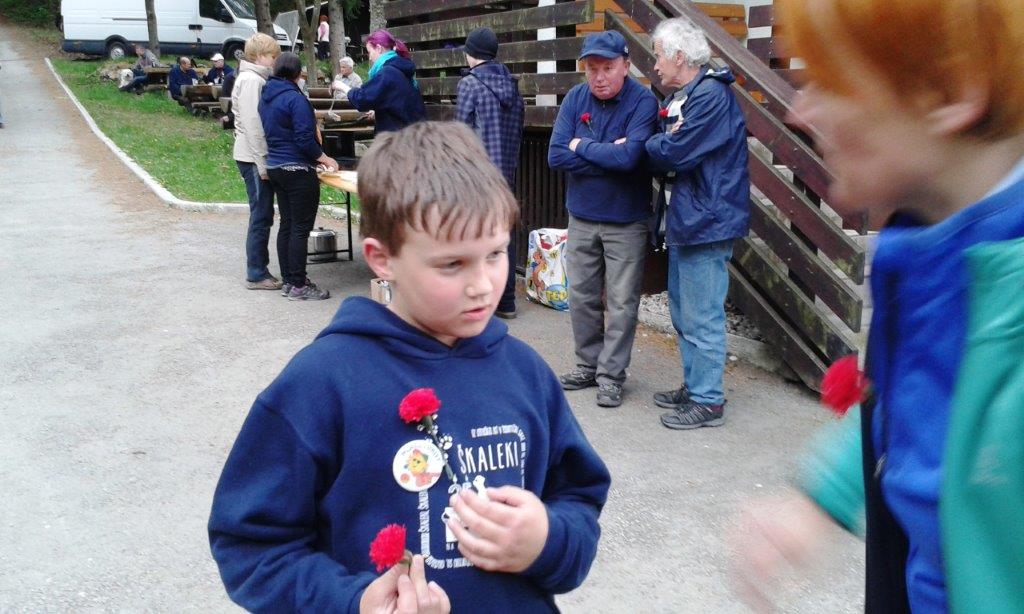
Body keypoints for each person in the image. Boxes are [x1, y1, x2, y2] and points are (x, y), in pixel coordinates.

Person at [208, 121, 611, 612]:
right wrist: (352, 602)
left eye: (496, 253)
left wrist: (547, 541)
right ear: (382, 259)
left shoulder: (527, 374)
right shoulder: (322, 384)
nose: (484, 285)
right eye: (452, 264)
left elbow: (579, 500)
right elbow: (251, 547)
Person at [732, 1, 1024, 613]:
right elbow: (935, 402)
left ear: (950, 89)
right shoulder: (942, 250)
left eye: (828, 80)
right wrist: (825, 496)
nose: (799, 110)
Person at [644, 17, 749, 429]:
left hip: (706, 222)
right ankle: (695, 387)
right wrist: (665, 141)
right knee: (683, 312)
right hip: (688, 220)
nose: (655, 65)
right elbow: (668, 147)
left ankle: (708, 401)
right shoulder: (689, 96)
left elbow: (674, 153)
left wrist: (660, 143)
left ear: (679, 56)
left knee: (702, 315)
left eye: (658, 56)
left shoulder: (710, 96)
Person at [547, 31, 659, 408]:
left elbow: (630, 160)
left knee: (622, 302)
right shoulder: (575, 98)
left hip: (626, 219)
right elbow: (555, 155)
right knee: (580, 296)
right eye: (592, 69)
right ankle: (588, 364)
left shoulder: (643, 102)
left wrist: (582, 146)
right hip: (581, 215)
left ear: (626, 65)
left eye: (608, 68)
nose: (599, 77)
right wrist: (609, 153)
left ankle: (611, 375)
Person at [455, 27, 525, 320]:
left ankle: (479, 302)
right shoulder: (512, 86)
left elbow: (460, 134)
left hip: (477, 176)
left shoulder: (470, 85)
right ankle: (506, 302)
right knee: (502, 236)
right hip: (506, 174)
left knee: (474, 238)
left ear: (470, 53)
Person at [258, 52, 339, 301]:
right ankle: (298, 284)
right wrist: (325, 159)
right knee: (300, 228)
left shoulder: (266, 97)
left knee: (288, 224)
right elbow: (305, 139)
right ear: (296, 73)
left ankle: (289, 280)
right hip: (297, 169)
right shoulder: (296, 99)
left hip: (275, 167)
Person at [233, 33, 282, 291]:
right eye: (272, 56)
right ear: (260, 56)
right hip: (252, 158)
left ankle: (259, 269)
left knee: (263, 213)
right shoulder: (252, 80)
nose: (275, 61)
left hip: (253, 156)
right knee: (261, 215)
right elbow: (254, 126)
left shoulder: (255, 78)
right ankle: (256, 272)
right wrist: (263, 164)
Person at [337, 29, 426, 134]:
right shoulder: (401, 70)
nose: (370, 58)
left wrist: (343, 87)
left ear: (379, 48)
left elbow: (362, 99)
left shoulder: (388, 73)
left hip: (399, 138)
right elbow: (398, 104)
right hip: (415, 134)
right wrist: (378, 111)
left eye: (370, 52)